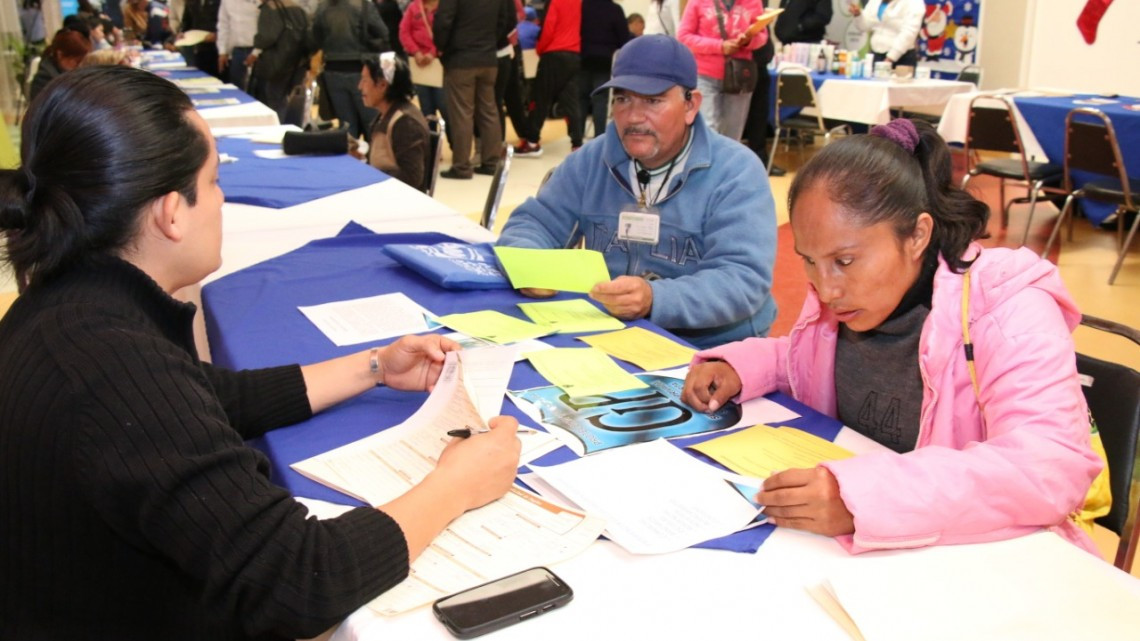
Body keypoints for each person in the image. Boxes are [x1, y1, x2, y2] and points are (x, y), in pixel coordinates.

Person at [0, 65, 522, 639]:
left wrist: (373, 366)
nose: (223, 201)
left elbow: (200, 397)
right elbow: (301, 579)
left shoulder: (70, 304)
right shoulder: (111, 366)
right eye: (216, 181)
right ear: (171, 213)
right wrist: (457, 485)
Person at [681, 118, 1103, 555]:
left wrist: (862, 499)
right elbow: (805, 360)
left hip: (990, 559)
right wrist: (738, 367)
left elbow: (1047, 469)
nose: (826, 289)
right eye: (809, 261)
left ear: (918, 234)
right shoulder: (852, 299)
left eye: (845, 261)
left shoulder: (1007, 307)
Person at [498, 35, 778, 349]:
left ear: (690, 105)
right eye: (622, 98)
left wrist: (656, 299)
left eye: (652, 100)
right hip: (609, 334)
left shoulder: (736, 172)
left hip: (712, 347)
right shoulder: (594, 159)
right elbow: (533, 224)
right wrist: (532, 266)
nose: (633, 116)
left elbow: (742, 279)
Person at [432, 0, 513, 178]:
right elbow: (507, 20)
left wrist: (442, 47)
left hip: (461, 58)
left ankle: (461, 166)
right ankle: (491, 162)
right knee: (489, 110)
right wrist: (491, 40)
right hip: (488, 57)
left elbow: (443, 21)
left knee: (462, 113)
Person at [677, 0, 768, 141]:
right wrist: (719, 46)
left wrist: (748, 41)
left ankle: (728, 163)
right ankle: (707, 163)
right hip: (704, 74)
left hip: (739, 76)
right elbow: (684, 36)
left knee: (733, 133)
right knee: (707, 129)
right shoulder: (697, 2)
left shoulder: (753, 2)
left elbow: (762, 36)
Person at [512, 0, 582, 157]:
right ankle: (577, 144)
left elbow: (549, 28)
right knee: (571, 101)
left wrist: (540, 48)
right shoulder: (579, 2)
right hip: (574, 54)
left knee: (540, 98)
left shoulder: (555, 2)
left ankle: (531, 142)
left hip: (553, 54)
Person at [312, 0, 390, 138]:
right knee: (372, 124)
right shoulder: (364, 5)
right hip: (361, 70)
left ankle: (350, 157)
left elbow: (314, 38)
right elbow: (383, 32)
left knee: (346, 127)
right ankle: (372, 157)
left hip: (332, 70)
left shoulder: (323, 7)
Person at [360, 52, 431, 191]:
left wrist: (371, 178)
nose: (360, 86)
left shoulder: (406, 123)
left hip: (397, 203)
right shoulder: (385, 115)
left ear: (382, 85)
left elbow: (412, 177)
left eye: (365, 80)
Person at [578, 0, 631, 141]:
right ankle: (599, 137)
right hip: (604, 59)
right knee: (600, 99)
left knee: (581, 98)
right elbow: (624, 38)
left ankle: (577, 137)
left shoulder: (582, 6)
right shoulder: (614, 9)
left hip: (583, 57)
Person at [248, 0, 310, 119]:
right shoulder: (298, 8)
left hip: (276, 64)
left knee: (275, 101)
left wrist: (257, 43)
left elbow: (267, 37)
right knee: (295, 101)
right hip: (297, 63)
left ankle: (279, 134)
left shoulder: (270, 8)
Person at [398, 0, 446, 127]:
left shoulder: (445, 7)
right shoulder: (414, 7)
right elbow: (404, 32)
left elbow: (449, 32)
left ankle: (455, 144)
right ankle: (431, 144)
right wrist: (416, 51)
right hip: (420, 67)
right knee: (426, 110)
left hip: (441, 64)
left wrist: (433, 53)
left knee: (445, 107)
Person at [849, 0, 924, 68]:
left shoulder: (914, 3)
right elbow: (865, 26)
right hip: (876, 55)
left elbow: (909, 34)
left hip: (902, 58)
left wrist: (889, 59)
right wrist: (858, 15)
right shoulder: (875, 2)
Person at [28, 28, 91, 102]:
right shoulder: (45, 77)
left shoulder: (64, 71)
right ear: (60, 55)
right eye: (76, 61)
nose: (79, 66)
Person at [217, 0, 261, 89]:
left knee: (256, 89)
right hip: (237, 50)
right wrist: (222, 51)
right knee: (236, 87)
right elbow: (223, 25)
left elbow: (265, 26)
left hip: (257, 50)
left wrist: (257, 51)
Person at [179, 0, 221, 78]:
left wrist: (217, 34)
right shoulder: (192, 2)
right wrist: (182, 33)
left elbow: (226, 22)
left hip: (218, 50)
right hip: (199, 48)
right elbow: (187, 21)